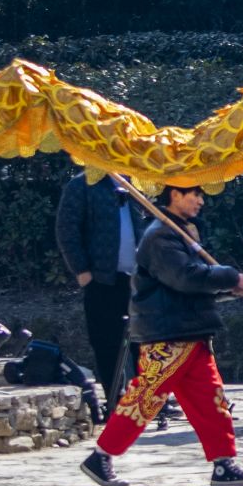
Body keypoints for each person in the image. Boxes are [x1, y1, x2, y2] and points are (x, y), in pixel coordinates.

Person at [81, 186, 243, 486]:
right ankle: (101, 456)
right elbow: (185, 278)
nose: (201, 201)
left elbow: (192, 280)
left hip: (189, 330)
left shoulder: (175, 233)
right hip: (168, 334)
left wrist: (223, 284)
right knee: (145, 397)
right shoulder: (161, 237)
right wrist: (230, 277)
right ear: (175, 194)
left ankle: (223, 464)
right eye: (195, 194)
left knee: (211, 400)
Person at [55, 173, 148, 403]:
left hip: (139, 279)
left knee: (146, 341)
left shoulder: (137, 182)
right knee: (107, 342)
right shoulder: (83, 184)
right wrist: (82, 270)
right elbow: (67, 229)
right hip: (103, 278)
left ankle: (149, 401)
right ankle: (115, 399)